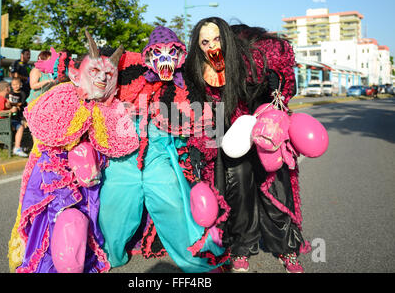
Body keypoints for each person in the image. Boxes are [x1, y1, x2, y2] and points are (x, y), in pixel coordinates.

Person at [184, 17, 310, 273]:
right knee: (237, 190)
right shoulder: (198, 70)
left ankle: (287, 248)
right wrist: (198, 145)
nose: (211, 46)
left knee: (275, 187)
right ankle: (241, 248)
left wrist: (279, 85)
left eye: (217, 39)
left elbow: (285, 83)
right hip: (231, 134)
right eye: (205, 42)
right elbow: (204, 115)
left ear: (228, 39)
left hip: (265, 127)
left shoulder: (257, 57)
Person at [97, 26, 227, 273]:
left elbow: (207, 120)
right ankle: (110, 256)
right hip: (124, 159)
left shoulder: (187, 83)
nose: (165, 59)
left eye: (172, 52)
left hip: (158, 157)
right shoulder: (131, 73)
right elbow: (100, 68)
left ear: (180, 56)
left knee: (173, 205)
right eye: (159, 53)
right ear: (148, 56)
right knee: (113, 205)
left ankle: (193, 259)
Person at [7, 31, 138, 273]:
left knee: (85, 224)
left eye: (109, 74)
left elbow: (114, 145)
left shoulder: (113, 107)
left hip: (91, 182)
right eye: (95, 72)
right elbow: (48, 140)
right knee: (67, 225)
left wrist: (90, 153)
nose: (101, 78)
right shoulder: (63, 97)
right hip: (56, 177)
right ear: (75, 75)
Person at [0, 80, 28, 157]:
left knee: (18, 123)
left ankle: (11, 145)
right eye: (9, 87)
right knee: (20, 127)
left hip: (5, 120)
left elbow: (4, 107)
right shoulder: (0, 99)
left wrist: (9, 105)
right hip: (2, 121)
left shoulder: (3, 98)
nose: (10, 88)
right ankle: (17, 148)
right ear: (6, 89)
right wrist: (11, 110)